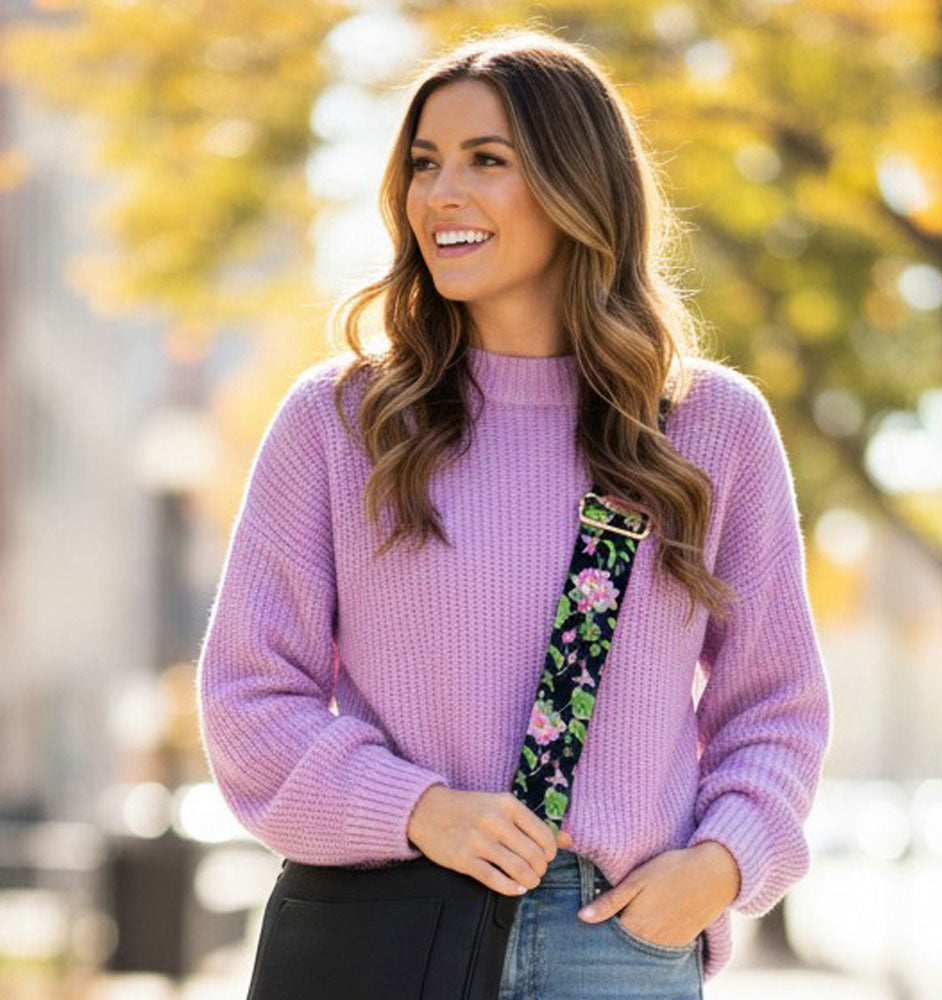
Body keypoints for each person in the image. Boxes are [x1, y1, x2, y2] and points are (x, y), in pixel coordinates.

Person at [196, 27, 833, 998]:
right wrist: (416, 808)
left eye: (486, 160)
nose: (440, 193)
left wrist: (719, 867)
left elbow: (775, 705)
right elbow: (249, 694)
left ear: (578, 186)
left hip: (614, 940)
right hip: (390, 925)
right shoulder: (344, 421)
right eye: (424, 163)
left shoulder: (699, 427)